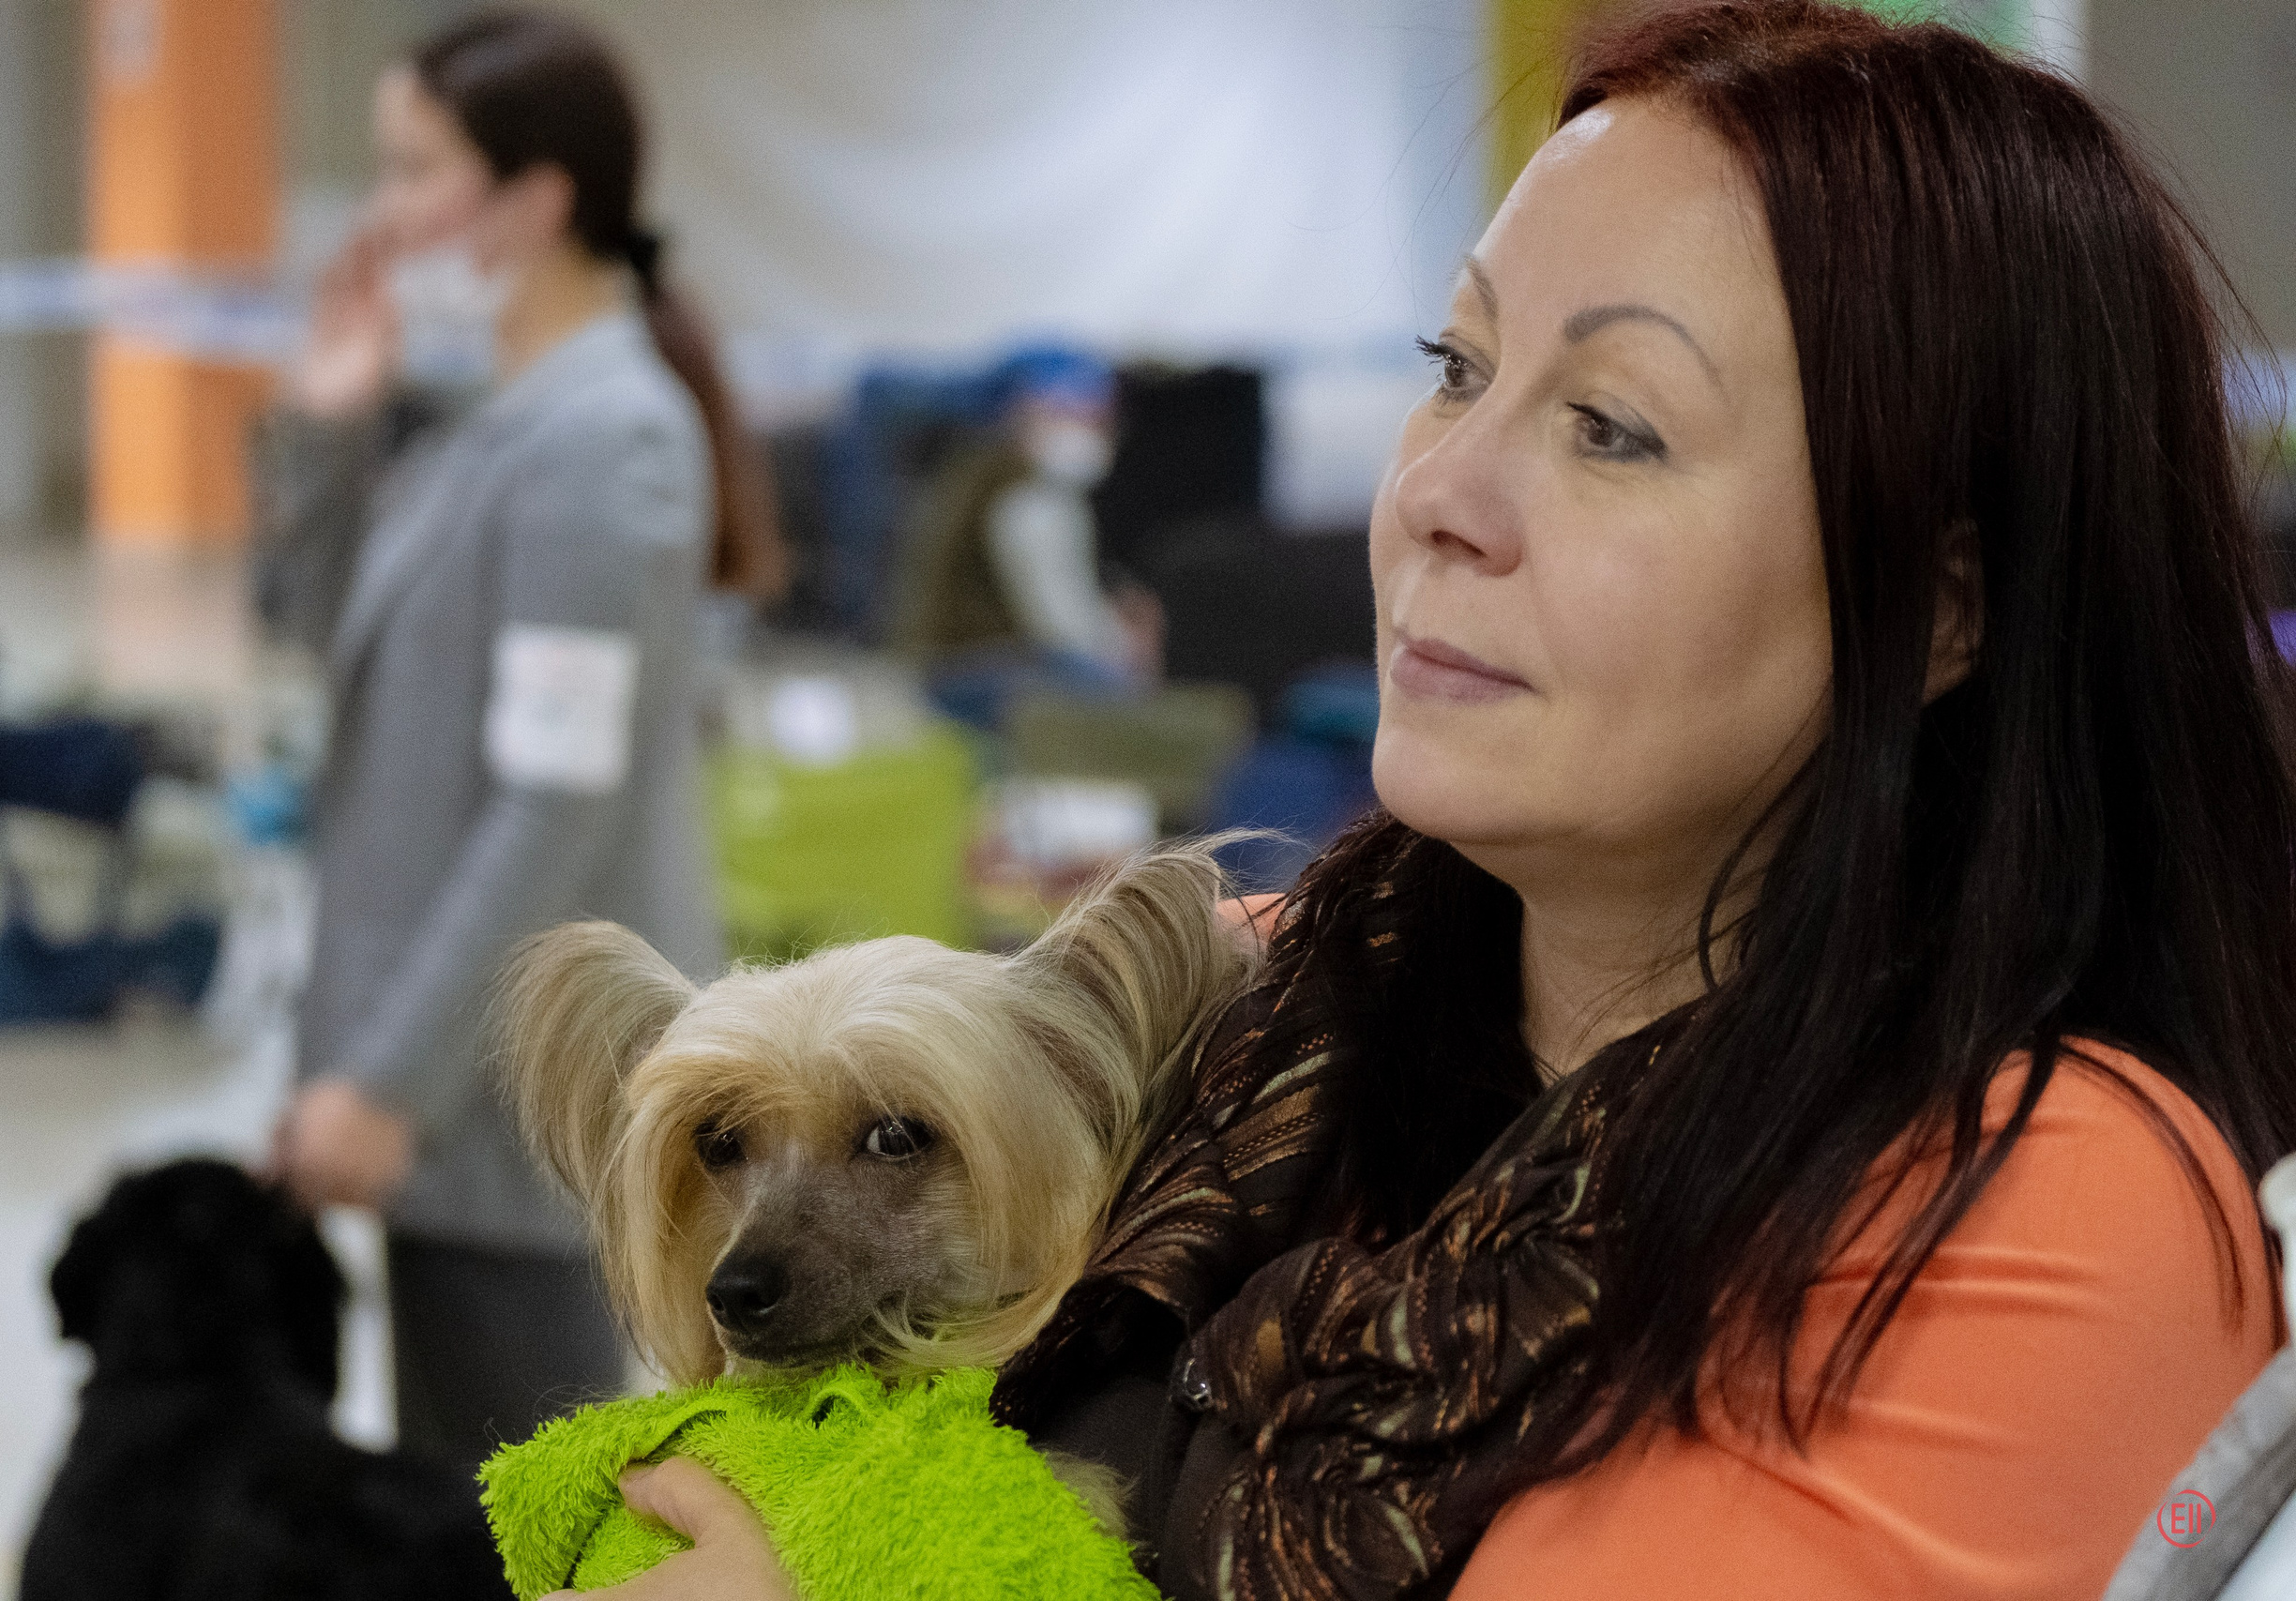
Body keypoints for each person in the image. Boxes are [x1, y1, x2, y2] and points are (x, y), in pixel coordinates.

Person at [563, 4, 2296, 1598]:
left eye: (1613, 425)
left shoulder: (2038, 1208)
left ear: (1943, 607)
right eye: (1457, 366)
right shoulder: (1249, 1011)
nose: (1440, 490)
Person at [256, 8, 780, 1465]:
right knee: (455, 1499)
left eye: (414, 169)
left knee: (522, 1509)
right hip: (440, 1061)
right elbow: (328, 645)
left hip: (507, 1092)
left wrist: (388, 1081)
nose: (384, 213)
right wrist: (330, 426)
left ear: (536, 200)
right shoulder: (499, 421)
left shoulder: (605, 440)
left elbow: (553, 800)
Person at [889, 348, 1164, 729]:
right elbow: (1061, 624)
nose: (1084, 429)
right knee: (1126, 699)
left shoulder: (983, 475)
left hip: (950, 665)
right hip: (974, 670)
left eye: (1093, 418)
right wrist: (1127, 653)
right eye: (1063, 414)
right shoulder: (1028, 497)